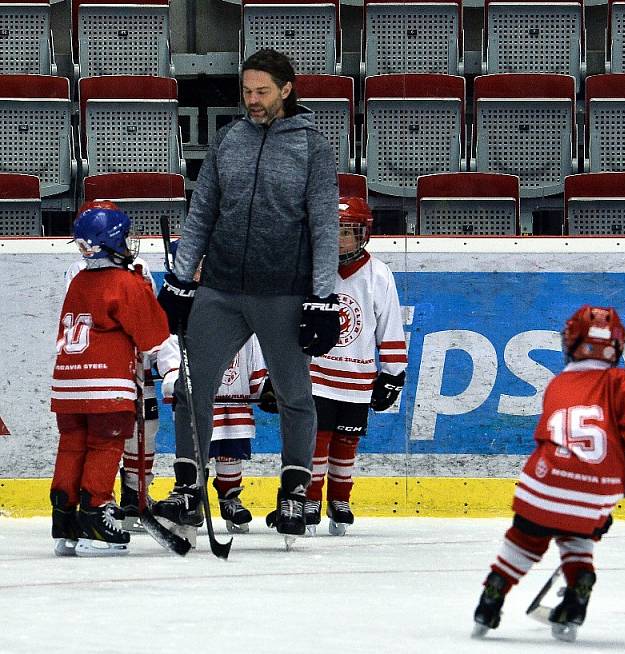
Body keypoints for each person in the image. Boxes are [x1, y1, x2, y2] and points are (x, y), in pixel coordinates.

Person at [153, 47, 340, 541]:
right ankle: (189, 488)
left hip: (283, 291)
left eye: (261, 92)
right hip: (220, 288)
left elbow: (324, 226)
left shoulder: (313, 147)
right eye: (246, 92)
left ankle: (296, 492)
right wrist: (180, 279)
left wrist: (323, 297)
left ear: (286, 89)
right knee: (192, 388)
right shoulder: (227, 141)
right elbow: (202, 213)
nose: (252, 100)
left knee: (295, 394)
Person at [472, 305, 625, 642]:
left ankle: (494, 591)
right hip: (600, 485)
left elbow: (547, 434)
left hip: (546, 479)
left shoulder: (559, 384)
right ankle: (578, 587)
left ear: (571, 341)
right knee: (579, 533)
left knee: (526, 538)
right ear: (617, 346)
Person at [262, 197, 407, 537]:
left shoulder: (379, 274)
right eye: (335, 231)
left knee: (346, 443)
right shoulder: (310, 270)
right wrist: (276, 372)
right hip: (315, 377)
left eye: (348, 231)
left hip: (357, 379)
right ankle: (309, 499)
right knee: (317, 441)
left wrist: (393, 373)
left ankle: (340, 499)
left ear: (363, 235)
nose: (341, 239)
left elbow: (390, 326)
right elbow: (285, 325)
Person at [50, 207, 171, 557]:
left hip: (67, 384)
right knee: (105, 447)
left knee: (72, 446)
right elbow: (153, 337)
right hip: (107, 385)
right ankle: (95, 515)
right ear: (112, 241)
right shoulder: (127, 282)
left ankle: (65, 517)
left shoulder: (78, 281)